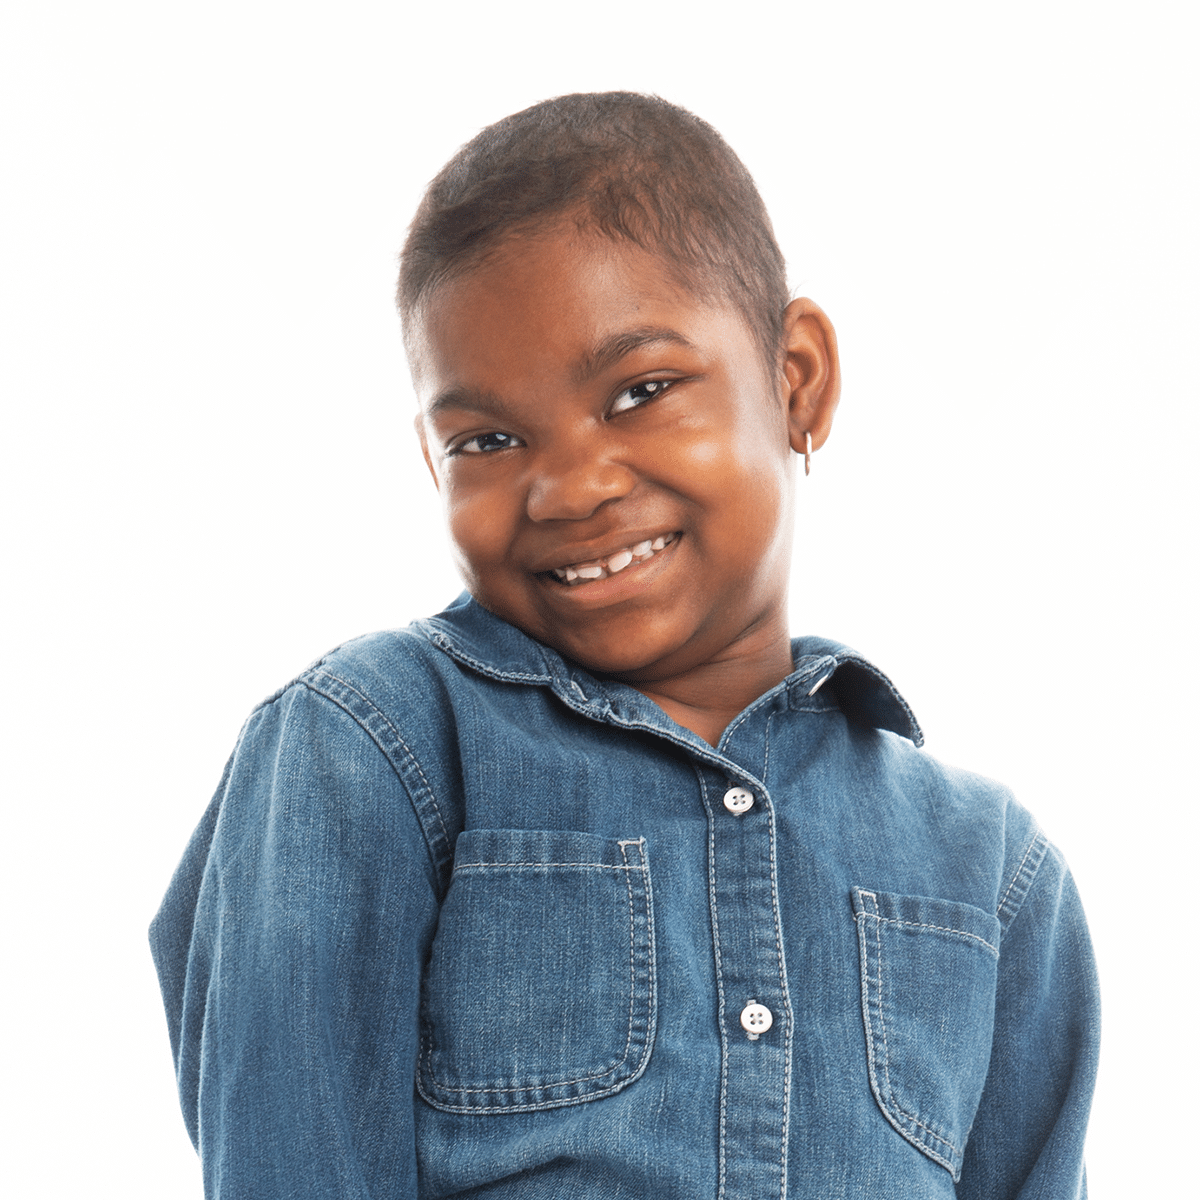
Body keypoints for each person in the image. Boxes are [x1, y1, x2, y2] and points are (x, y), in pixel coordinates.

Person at [150, 92, 1099, 1199]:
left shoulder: (991, 874)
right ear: (430, 460)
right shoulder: (367, 748)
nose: (568, 487)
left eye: (640, 392)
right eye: (488, 440)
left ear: (797, 379)